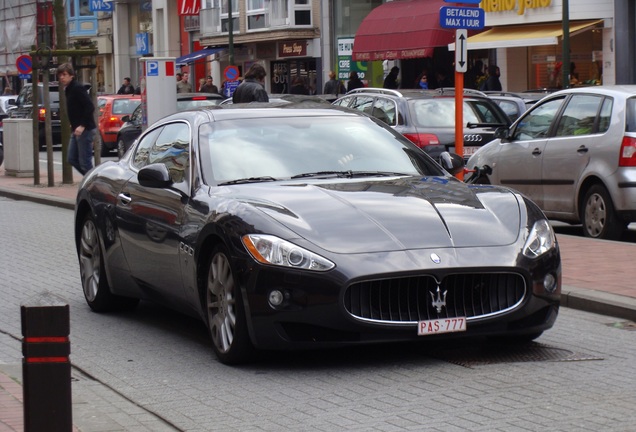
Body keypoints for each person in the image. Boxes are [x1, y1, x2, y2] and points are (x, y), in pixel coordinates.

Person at [57, 62, 96, 175]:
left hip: (85, 129)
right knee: (71, 158)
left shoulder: (77, 88)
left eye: (64, 74)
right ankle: (89, 181)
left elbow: (89, 106)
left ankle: (92, 184)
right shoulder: (69, 88)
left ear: (71, 75)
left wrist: (82, 125)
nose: (62, 77)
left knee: (85, 162)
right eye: (60, 75)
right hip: (76, 129)